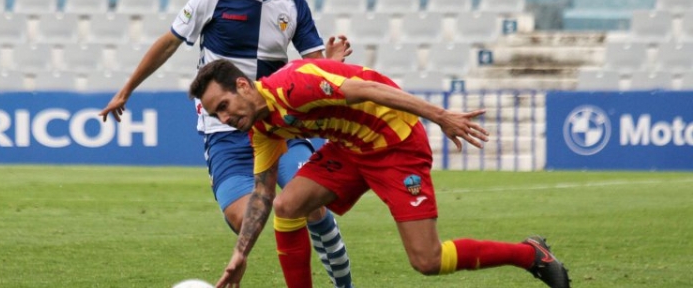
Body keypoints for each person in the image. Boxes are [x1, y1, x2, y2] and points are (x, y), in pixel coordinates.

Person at [99, 0, 354, 287]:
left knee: (309, 203)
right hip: (225, 132)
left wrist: (331, 64)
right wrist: (127, 89)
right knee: (242, 219)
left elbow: (314, 69)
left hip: (278, 125)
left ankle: (343, 285)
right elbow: (170, 41)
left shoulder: (293, 5)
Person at [190, 58, 572, 288]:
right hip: (351, 150)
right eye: (216, 115)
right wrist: (240, 255)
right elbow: (263, 193)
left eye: (224, 105)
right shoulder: (262, 127)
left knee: (428, 261)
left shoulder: (293, 87)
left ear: (243, 85)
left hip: (395, 144)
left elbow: (371, 88)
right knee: (287, 206)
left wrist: (440, 116)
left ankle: (530, 255)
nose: (225, 118)